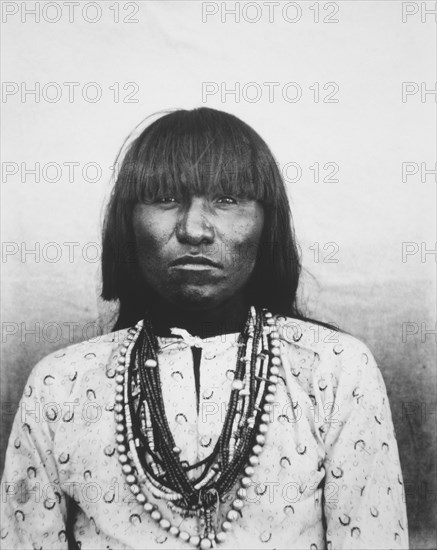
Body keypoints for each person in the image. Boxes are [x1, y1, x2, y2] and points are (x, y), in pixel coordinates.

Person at [1, 107, 408, 550]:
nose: (194, 229)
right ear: (128, 224)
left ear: (266, 224)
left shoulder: (334, 370)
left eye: (228, 199)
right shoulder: (60, 386)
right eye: (164, 198)